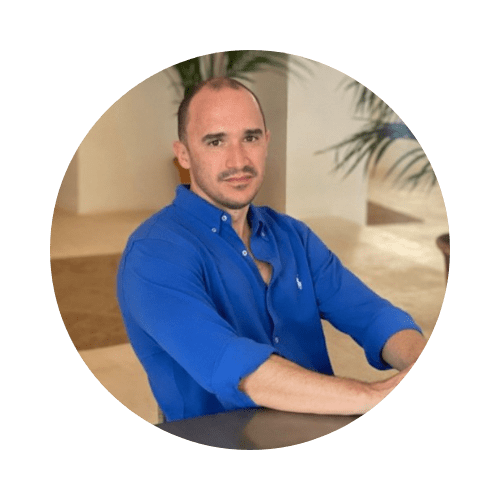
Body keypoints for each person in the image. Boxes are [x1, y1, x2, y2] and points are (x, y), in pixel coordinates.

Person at [117, 77, 426, 422]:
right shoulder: (153, 254)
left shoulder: (294, 236)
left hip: (316, 426)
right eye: (216, 141)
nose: (238, 160)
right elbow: (236, 368)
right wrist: (373, 395)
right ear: (184, 155)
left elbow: (372, 316)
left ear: (266, 142)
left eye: (250, 138)